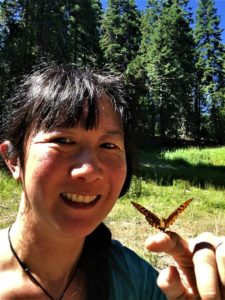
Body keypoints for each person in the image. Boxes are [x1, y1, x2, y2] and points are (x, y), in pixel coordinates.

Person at [0, 64, 224, 300]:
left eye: (108, 145)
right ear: (13, 159)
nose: (89, 170)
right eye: (63, 140)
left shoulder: (143, 283)